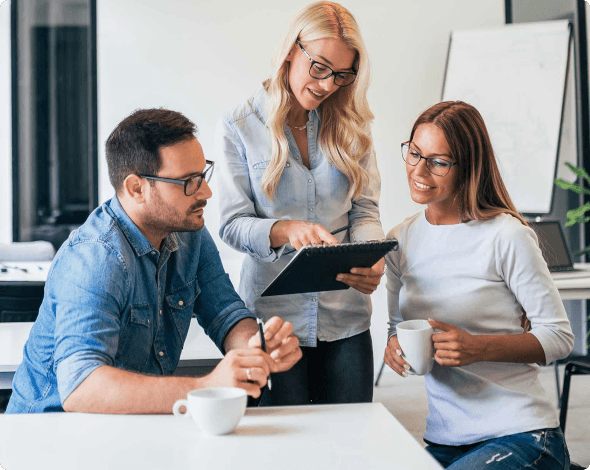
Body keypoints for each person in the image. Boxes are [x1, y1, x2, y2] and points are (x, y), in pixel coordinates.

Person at [6, 108, 301, 414]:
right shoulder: (96, 257)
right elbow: (82, 386)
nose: (206, 192)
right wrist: (205, 387)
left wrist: (255, 349)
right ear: (137, 188)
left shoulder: (188, 232)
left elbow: (225, 312)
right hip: (53, 438)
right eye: (189, 181)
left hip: (132, 425)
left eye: (203, 175)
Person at [383, 101, 575, 469]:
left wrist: (477, 347)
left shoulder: (506, 236)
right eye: (415, 153)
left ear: (468, 167)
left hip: (522, 434)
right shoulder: (399, 241)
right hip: (445, 438)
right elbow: (397, 327)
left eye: (438, 161)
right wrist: (394, 345)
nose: (419, 170)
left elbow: (559, 337)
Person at [216, 1, 385, 406]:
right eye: (320, 67)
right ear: (292, 50)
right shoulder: (240, 125)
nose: (328, 84)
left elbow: (365, 211)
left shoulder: (352, 125)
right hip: (273, 321)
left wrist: (370, 256)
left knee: (349, 448)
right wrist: (286, 230)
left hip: (346, 318)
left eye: (342, 74)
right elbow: (231, 224)